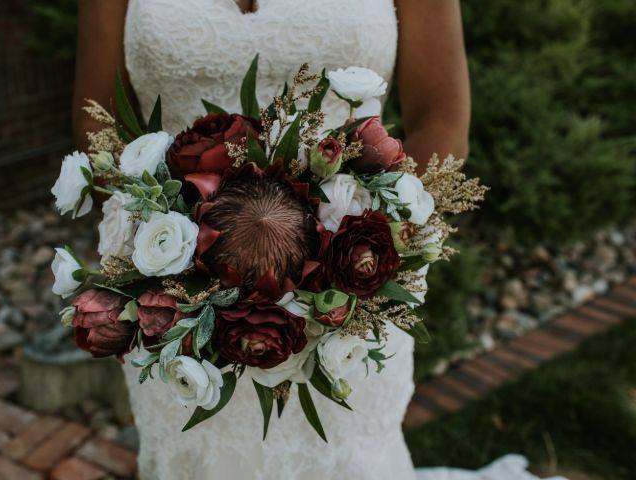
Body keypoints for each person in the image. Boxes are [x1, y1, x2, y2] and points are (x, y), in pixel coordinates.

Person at [72, 1, 564, 479]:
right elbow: (98, 123)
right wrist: (162, 249)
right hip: (177, 301)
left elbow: (441, 119)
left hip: (345, 299)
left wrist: (364, 256)